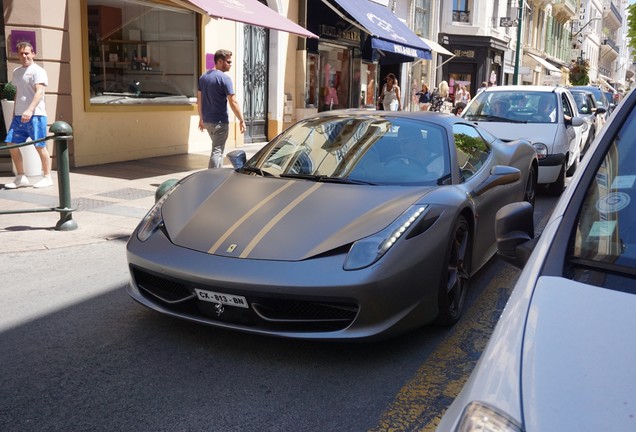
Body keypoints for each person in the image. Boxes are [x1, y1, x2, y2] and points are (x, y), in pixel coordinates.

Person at [4, 41, 53, 189]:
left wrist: (30, 110)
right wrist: (14, 114)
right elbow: (18, 94)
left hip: (36, 115)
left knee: (39, 146)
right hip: (19, 116)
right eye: (21, 53)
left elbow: (39, 92)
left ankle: (47, 177)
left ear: (33, 54)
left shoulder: (38, 71)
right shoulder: (17, 72)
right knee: (11, 143)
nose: (24, 56)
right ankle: (20, 177)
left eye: (27, 53)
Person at [198, 49, 246, 168]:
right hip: (219, 121)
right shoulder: (225, 79)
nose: (230, 64)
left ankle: (216, 175)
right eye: (228, 62)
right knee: (217, 151)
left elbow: (200, 99)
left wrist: (201, 118)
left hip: (208, 121)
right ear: (219, 61)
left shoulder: (203, 78)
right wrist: (241, 119)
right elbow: (233, 101)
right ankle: (212, 177)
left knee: (217, 149)